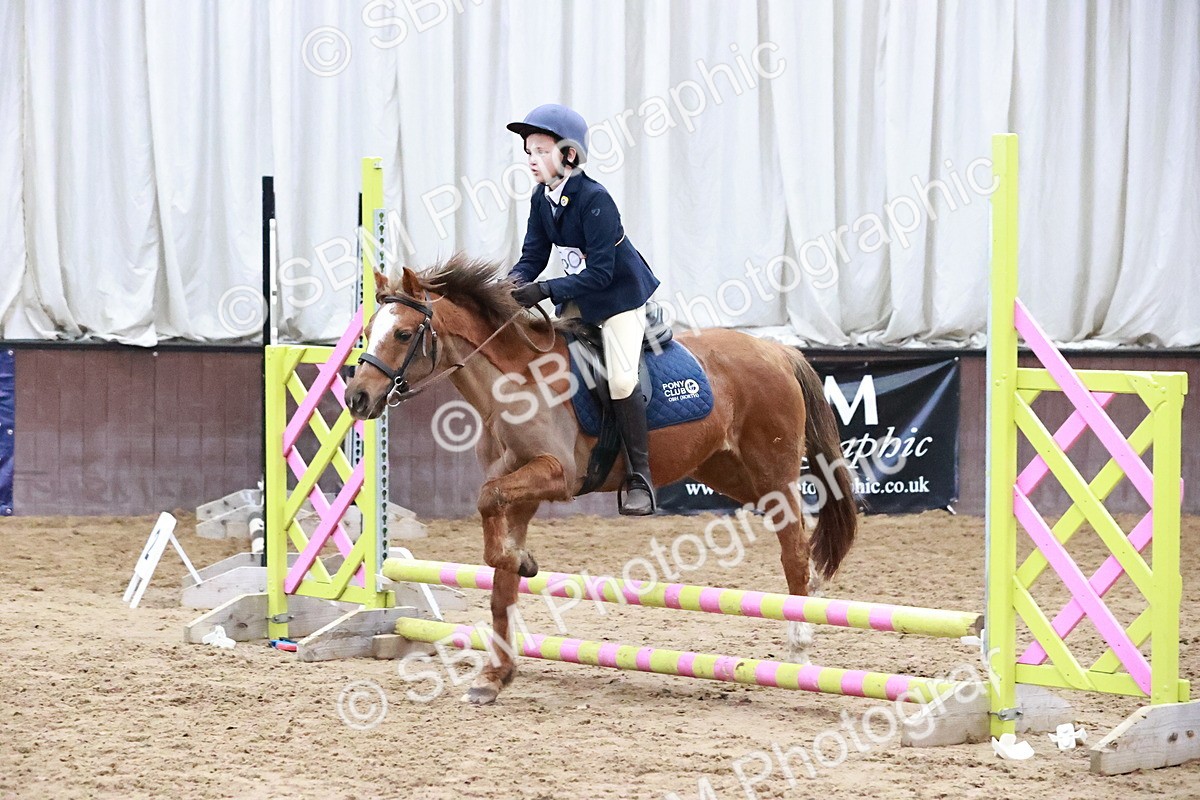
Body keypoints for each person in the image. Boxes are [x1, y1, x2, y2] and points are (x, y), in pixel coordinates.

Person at [506, 103, 661, 515]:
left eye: (541, 150)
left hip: (618, 297)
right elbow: (532, 257)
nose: (532, 160)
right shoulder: (543, 198)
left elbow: (602, 273)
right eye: (529, 151)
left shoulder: (596, 200)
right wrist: (506, 288)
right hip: (579, 297)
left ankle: (640, 478)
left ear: (569, 155)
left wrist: (543, 290)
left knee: (623, 379)